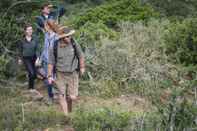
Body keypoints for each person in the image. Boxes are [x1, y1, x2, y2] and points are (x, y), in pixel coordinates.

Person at [47, 27, 85, 115]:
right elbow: (50, 62)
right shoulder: (54, 47)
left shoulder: (74, 43)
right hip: (60, 74)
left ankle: (69, 111)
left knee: (72, 97)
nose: (69, 38)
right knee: (61, 95)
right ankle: (66, 115)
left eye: (70, 36)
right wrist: (49, 75)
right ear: (62, 38)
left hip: (73, 73)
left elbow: (81, 56)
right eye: (67, 37)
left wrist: (82, 67)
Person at [18, 23, 41, 93]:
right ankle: (31, 88)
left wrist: (38, 58)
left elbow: (37, 49)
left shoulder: (35, 38)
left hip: (34, 57)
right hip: (26, 58)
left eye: (31, 29)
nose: (30, 31)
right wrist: (19, 59)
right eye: (28, 30)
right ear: (25, 31)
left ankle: (30, 83)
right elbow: (20, 50)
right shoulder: (22, 40)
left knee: (34, 74)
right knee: (31, 73)